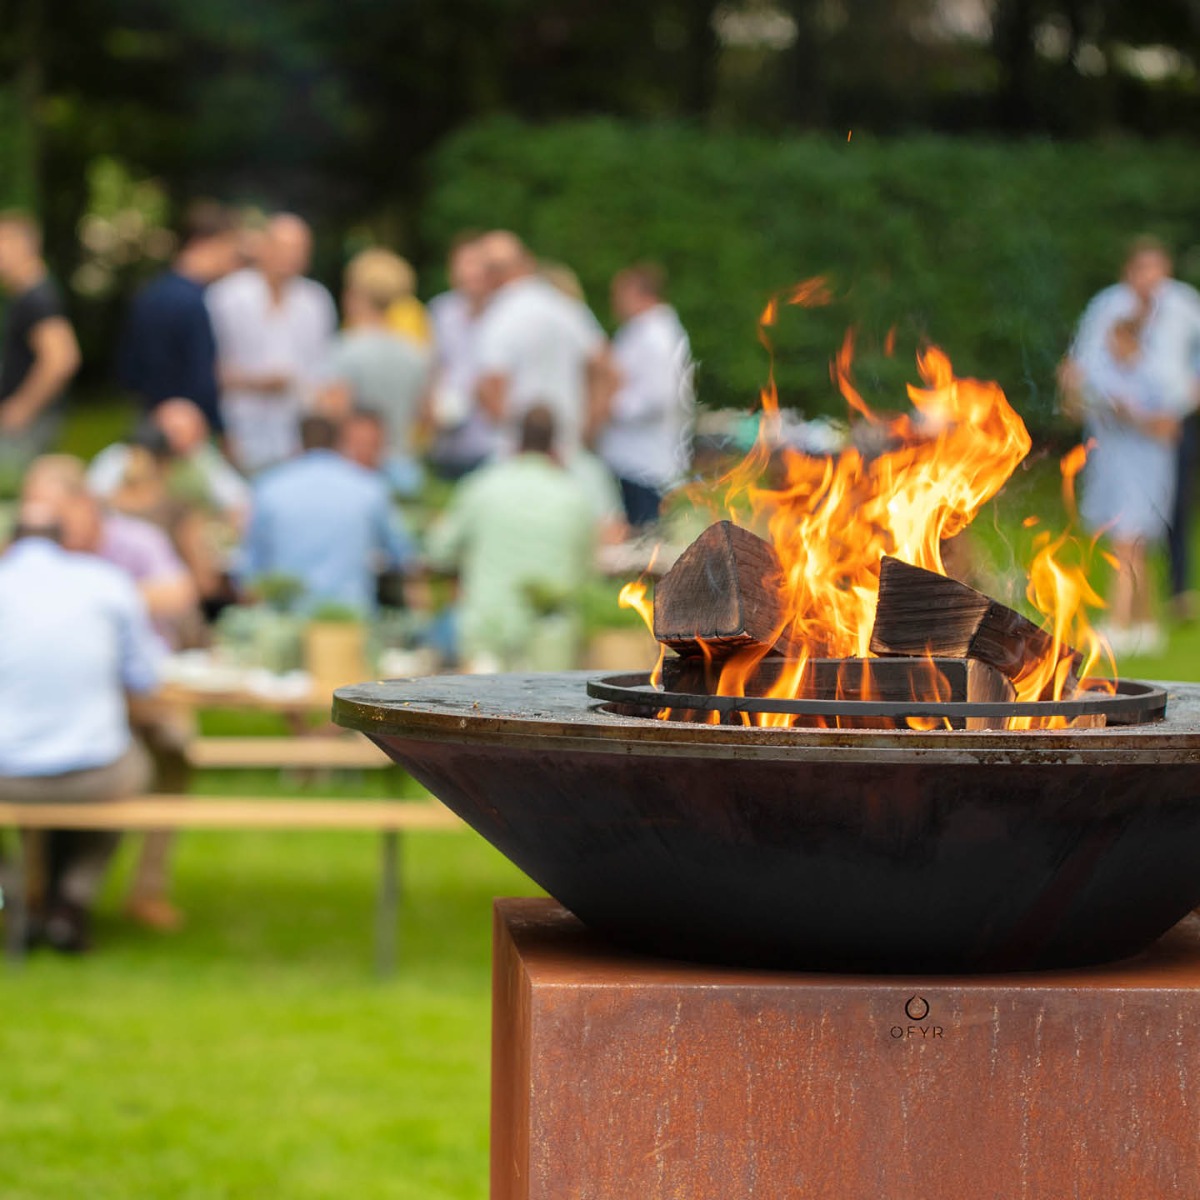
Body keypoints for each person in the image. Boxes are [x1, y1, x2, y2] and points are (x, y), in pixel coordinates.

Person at [0, 500, 162, 952]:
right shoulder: (106, 583)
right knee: (136, 770)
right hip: (92, 773)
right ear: (64, 539)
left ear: (11, 540)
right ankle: (72, 897)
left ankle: (11, 899)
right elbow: (147, 675)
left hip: (4, 774)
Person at [1065, 237, 1200, 616]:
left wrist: (1188, 397)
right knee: (1127, 531)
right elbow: (1084, 369)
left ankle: (1146, 609)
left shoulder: (1183, 305)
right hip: (1118, 436)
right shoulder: (1107, 307)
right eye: (1141, 269)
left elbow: (1176, 375)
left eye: (1155, 269)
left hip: (1166, 426)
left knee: (1145, 524)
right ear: (1128, 272)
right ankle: (1143, 622)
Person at [426, 405, 598, 672]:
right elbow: (588, 570)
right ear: (555, 445)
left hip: (486, 632)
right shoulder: (575, 497)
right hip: (551, 643)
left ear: (515, 441)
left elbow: (437, 550)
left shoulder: (482, 486)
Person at [1078, 308, 1181, 654]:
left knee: (1127, 544)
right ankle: (1148, 627)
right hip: (1111, 470)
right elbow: (1076, 408)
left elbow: (1169, 429)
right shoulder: (1105, 375)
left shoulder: (1157, 377)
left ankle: (1118, 625)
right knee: (1135, 550)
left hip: (1146, 471)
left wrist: (1133, 417)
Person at [239, 415, 412, 612]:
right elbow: (402, 554)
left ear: (296, 444)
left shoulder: (268, 487)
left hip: (285, 618)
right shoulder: (368, 487)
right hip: (351, 619)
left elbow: (251, 568)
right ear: (339, 443)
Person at [207, 213, 336, 473]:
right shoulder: (226, 297)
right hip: (239, 425)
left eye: (298, 249)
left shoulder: (316, 301)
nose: (289, 257)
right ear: (263, 247)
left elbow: (324, 370)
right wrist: (256, 383)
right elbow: (209, 366)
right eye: (282, 247)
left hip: (297, 432)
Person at [473, 232, 611, 461]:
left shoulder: (498, 316)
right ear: (527, 261)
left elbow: (491, 386)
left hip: (519, 454)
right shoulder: (566, 307)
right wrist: (588, 427)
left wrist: (515, 435)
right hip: (568, 452)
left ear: (490, 274)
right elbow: (606, 368)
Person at [116, 200, 240, 433]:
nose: (231, 261)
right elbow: (203, 381)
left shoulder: (149, 293)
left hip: (147, 419)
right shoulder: (197, 303)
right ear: (206, 243)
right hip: (186, 431)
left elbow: (128, 369)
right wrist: (219, 429)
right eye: (228, 248)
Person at [318, 249, 430, 494]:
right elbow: (427, 416)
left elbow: (335, 411)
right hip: (404, 466)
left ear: (354, 295)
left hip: (356, 468)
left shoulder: (345, 349)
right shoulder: (415, 353)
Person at [595, 263, 694, 527]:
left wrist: (610, 407)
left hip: (646, 461)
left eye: (619, 294)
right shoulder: (641, 331)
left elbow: (659, 396)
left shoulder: (657, 336)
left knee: (647, 542)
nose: (614, 302)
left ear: (637, 292)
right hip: (631, 457)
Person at [0, 211, 81, 484]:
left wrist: (21, 408)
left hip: (29, 425)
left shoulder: (38, 298)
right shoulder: (25, 296)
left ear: (22, 245)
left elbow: (61, 359)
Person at [425, 234, 497, 478]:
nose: (471, 272)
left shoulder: (505, 314)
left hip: (491, 442)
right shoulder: (440, 312)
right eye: (464, 264)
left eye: (477, 264)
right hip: (447, 441)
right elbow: (430, 368)